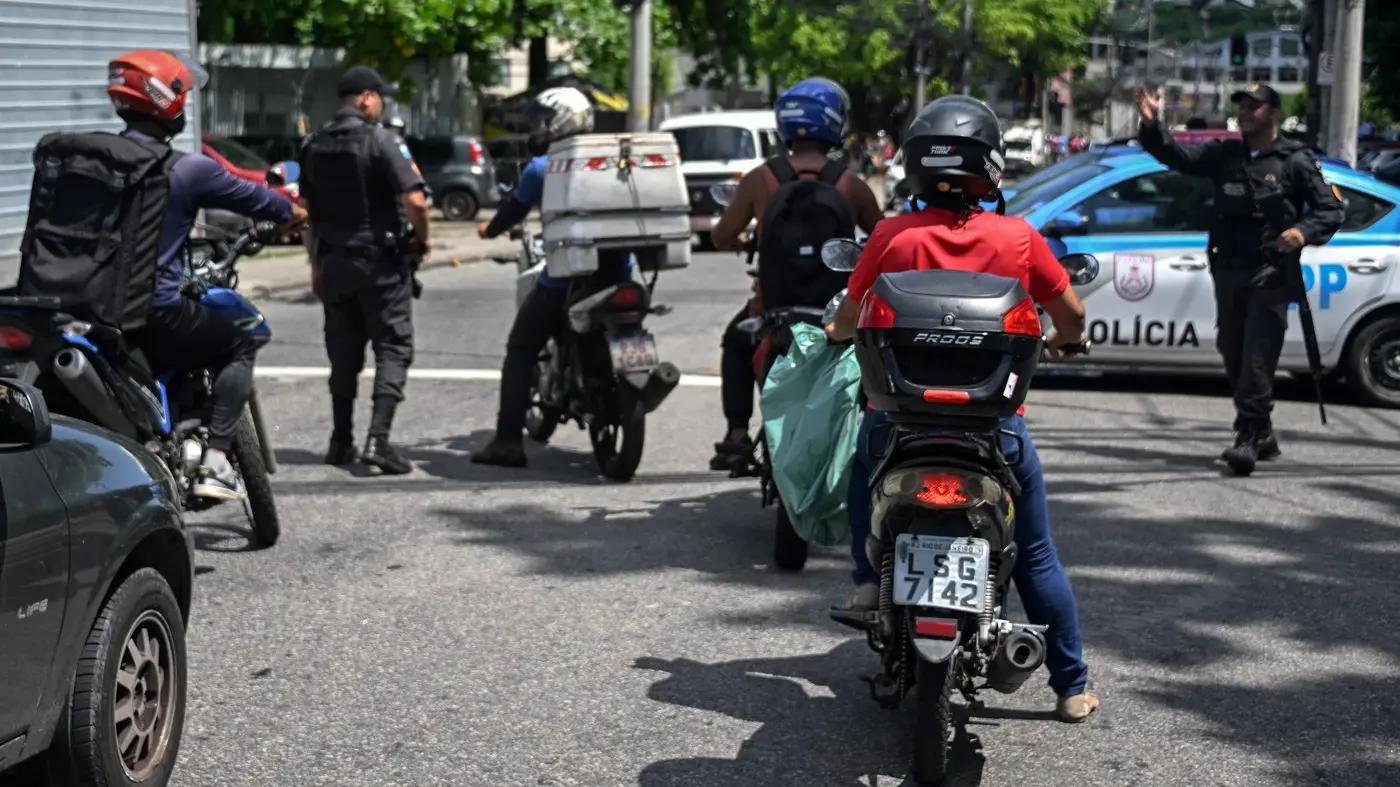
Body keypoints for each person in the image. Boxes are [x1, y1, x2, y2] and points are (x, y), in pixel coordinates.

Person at [825, 95, 1098, 723]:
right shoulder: (1019, 238)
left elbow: (847, 315)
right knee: (1033, 554)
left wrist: (840, 332)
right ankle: (1071, 686)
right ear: (992, 166)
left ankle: (869, 578)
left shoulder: (893, 235)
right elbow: (1071, 316)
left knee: (861, 474)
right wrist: (1066, 341)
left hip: (897, 426)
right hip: (994, 430)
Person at [105, 50, 306, 499]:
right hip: (151, 310)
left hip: (89, 308)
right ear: (166, 102)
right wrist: (293, 210)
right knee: (238, 341)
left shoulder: (100, 161)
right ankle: (215, 460)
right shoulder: (186, 168)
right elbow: (258, 199)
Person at [1135, 84, 1345, 474]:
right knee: (1232, 352)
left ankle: (1246, 437)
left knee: (1257, 360)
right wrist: (1153, 125)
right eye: (1242, 106)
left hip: (1271, 272)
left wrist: (1301, 232)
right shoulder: (1224, 154)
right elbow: (1178, 156)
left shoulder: (1295, 160)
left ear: (1273, 113)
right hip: (1228, 271)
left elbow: (1331, 210)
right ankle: (1263, 432)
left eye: (1254, 106)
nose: (1246, 112)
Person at [708, 77, 883, 471]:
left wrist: (742, 238)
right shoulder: (850, 185)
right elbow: (882, 240)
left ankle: (737, 435)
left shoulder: (759, 180)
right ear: (835, 124)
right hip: (835, 314)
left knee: (735, 344)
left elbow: (720, 234)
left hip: (774, 307)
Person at [470, 87, 633, 468]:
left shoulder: (544, 168)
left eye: (545, 120)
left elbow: (513, 210)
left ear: (562, 120)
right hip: (620, 278)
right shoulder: (617, 161)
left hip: (565, 282)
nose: (540, 128)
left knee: (520, 350)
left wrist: (489, 231)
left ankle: (508, 442)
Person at [299, 65, 431, 475]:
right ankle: (378, 440)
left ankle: (340, 441)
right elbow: (416, 201)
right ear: (368, 98)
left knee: (343, 353)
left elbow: (307, 214)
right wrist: (423, 239)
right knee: (393, 346)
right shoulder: (382, 140)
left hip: (335, 261)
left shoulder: (313, 144)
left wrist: (316, 266)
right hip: (381, 263)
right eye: (380, 98)